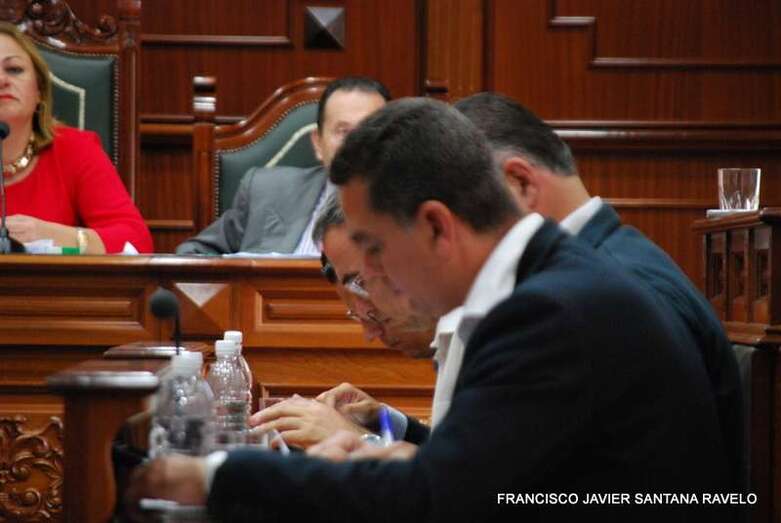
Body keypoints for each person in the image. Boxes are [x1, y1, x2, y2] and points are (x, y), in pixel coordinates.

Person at [127, 98, 733, 522]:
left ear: (438, 227)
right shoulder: (557, 279)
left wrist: (218, 476)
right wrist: (392, 455)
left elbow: (435, 502)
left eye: (374, 249)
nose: (375, 280)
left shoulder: (546, 311)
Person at [454, 92, 745, 494]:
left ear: (519, 183)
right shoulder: (614, 262)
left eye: (456, 215)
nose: (453, 244)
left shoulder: (593, 296)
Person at [248, 193, 436, 448]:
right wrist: (384, 420)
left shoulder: (481, 332)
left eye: (373, 314)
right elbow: (453, 449)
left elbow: (464, 472)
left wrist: (356, 439)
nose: (370, 335)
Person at [175, 76, 390, 255]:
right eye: (344, 132)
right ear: (318, 143)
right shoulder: (265, 191)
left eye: (369, 131)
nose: (357, 143)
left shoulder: (407, 206)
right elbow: (193, 256)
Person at [0, 22, 153, 254]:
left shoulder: (75, 150)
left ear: (39, 91)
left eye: (14, 69)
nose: (2, 80)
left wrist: (51, 235)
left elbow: (136, 242)